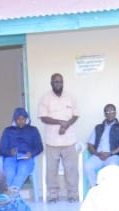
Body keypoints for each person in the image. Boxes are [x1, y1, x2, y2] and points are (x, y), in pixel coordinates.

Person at [37, 72, 80, 203]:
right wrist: (60, 122)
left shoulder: (70, 97)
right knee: (51, 170)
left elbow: (75, 115)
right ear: (51, 83)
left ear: (63, 83)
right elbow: (43, 117)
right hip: (52, 141)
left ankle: (73, 194)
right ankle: (53, 195)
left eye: (60, 81)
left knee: (71, 169)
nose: (58, 84)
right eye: (55, 82)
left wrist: (66, 125)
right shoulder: (45, 98)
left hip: (69, 140)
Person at [84, 103, 119, 187]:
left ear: (115, 113)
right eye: (107, 112)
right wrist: (97, 154)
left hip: (113, 155)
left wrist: (110, 153)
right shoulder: (98, 127)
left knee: (112, 168)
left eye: (112, 112)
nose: (110, 114)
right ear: (104, 114)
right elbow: (90, 144)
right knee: (88, 166)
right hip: (98, 155)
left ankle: (108, 189)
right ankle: (96, 188)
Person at [0, 107, 44, 192]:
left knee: (22, 169)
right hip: (10, 158)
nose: (20, 121)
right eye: (18, 119)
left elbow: (39, 147)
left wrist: (31, 153)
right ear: (14, 120)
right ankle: (11, 192)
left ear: (26, 119)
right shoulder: (8, 131)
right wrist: (9, 152)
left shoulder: (33, 130)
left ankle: (12, 190)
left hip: (26, 158)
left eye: (23, 119)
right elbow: (1, 149)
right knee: (9, 172)